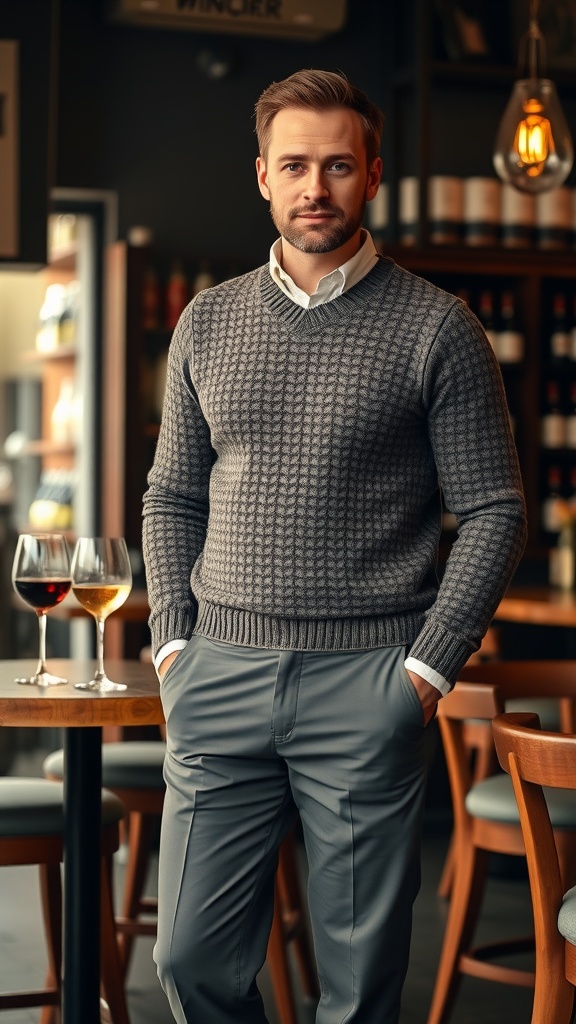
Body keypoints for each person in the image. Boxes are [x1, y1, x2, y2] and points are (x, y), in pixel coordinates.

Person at [142, 69, 527, 1024]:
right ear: (263, 178)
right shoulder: (207, 320)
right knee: (190, 962)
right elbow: (169, 495)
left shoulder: (440, 329)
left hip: (370, 679)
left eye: (340, 165)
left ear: (373, 174)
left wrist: (428, 671)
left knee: (359, 991)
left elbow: (495, 510)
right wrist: (173, 645)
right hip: (218, 672)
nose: (318, 186)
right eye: (297, 165)